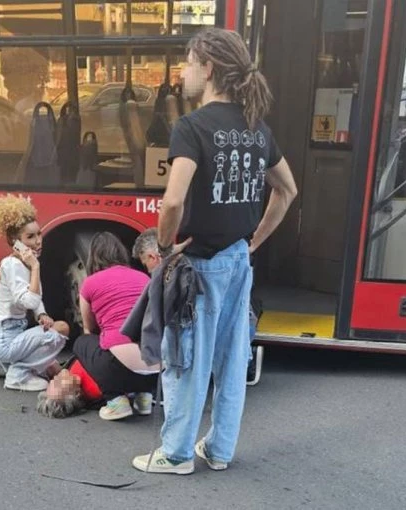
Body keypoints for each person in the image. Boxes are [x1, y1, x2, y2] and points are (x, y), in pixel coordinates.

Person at [131, 28, 297, 474]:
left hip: (199, 267)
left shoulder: (192, 127)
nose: (184, 72)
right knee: (230, 359)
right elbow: (287, 190)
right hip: (238, 262)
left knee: (186, 359)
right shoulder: (256, 128)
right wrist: (254, 240)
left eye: (188, 62)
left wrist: (164, 246)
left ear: (207, 68)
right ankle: (219, 450)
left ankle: (177, 454)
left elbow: (172, 200)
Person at [0, 195, 69, 392]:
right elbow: (30, 301)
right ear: (15, 242)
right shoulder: (12, 265)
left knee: (53, 366)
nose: (38, 241)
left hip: (8, 333)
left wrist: (42, 314)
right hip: (4, 338)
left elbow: (36, 299)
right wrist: (36, 267)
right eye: (30, 237)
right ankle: (17, 375)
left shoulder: (22, 263)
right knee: (62, 329)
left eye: (39, 234)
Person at [75, 232, 160, 420]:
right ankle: (144, 398)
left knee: (82, 342)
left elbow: (89, 328)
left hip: (119, 368)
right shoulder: (144, 278)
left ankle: (115, 401)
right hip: (155, 369)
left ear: (93, 257)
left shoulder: (89, 284)